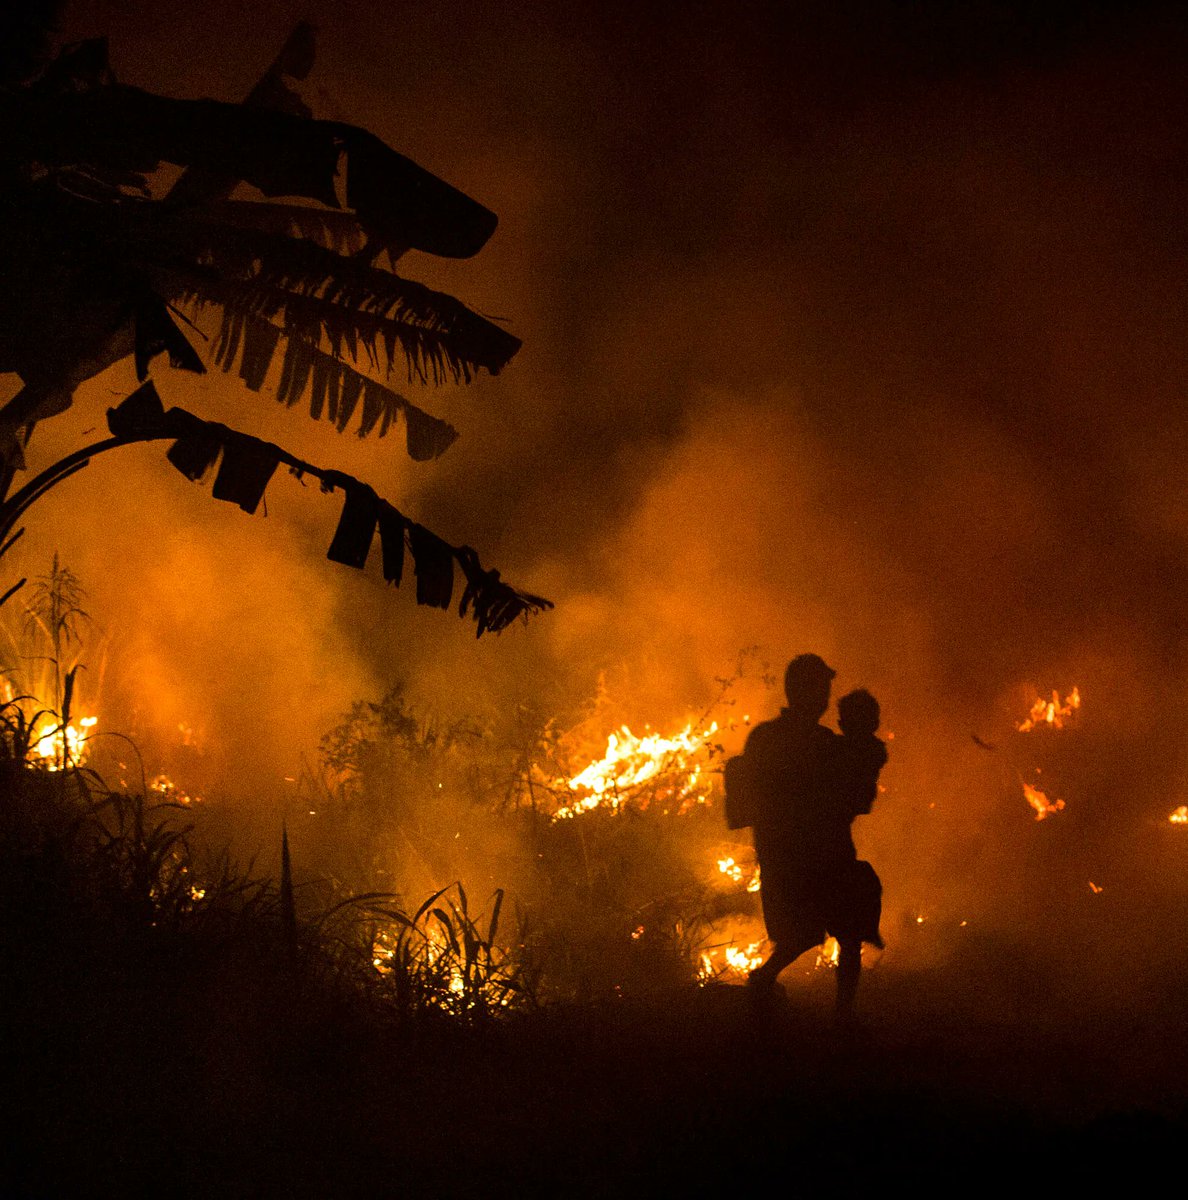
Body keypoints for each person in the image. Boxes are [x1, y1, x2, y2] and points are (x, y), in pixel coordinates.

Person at [744, 657, 886, 1015]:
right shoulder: (818, 744)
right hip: (809, 857)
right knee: (821, 934)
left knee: (825, 934)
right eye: (821, 689)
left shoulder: (771, 738)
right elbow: (852, 799)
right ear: (804, 692)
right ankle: (838, 1016)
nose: (825, 697)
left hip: (810, 856)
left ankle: (774, 986)